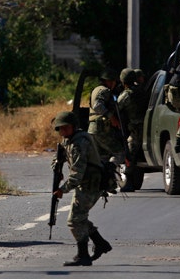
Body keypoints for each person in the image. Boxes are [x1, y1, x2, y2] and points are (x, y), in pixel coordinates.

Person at [51, 111, 112, 267]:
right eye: (60, 129)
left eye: (66, 128)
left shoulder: (79, 143)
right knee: (79, 218)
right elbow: (60, 156)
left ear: (74, 127)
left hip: (91, 184)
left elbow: (77, 174)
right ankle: (100, 244)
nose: (63, 132)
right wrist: (57, 166)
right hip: (86, 183)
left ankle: (83, 256)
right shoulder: (70, 140)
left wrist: (62, 190)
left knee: (74, 220)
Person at [117, 68, 146, 192]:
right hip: (145, 127)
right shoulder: (142, 91)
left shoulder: (127, 94)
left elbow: (117, 108)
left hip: (136, 130)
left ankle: (128, 181)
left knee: (129, 153)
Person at [88, 69, 125, 164]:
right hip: (101, 129)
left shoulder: (96, 89)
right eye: (113, 82)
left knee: (102, 157)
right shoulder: (105, 90)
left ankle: (104, 177)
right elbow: (97, 105)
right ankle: (111, 170)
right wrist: (111, 117)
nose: (114, 84)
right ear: (108, 81)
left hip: (93, 129)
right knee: (120, 153)